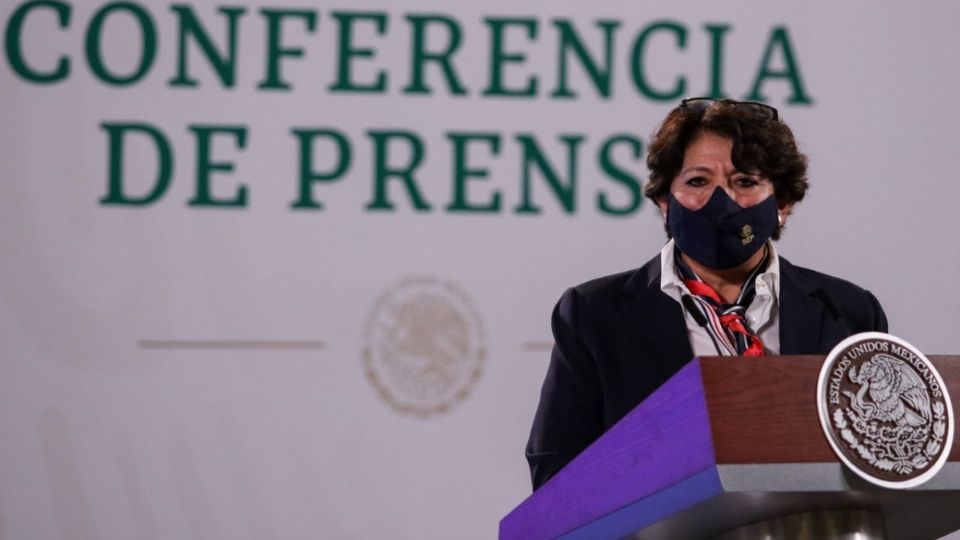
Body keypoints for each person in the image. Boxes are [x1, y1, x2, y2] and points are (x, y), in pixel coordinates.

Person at [525, 98, 888, 490]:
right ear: (665, 201)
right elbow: (556, 478)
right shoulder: (594, 315)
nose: (721, 202)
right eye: (698, 181)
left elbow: (886, 456)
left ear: (782, 203)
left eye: (745, 182)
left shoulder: (850, 312)